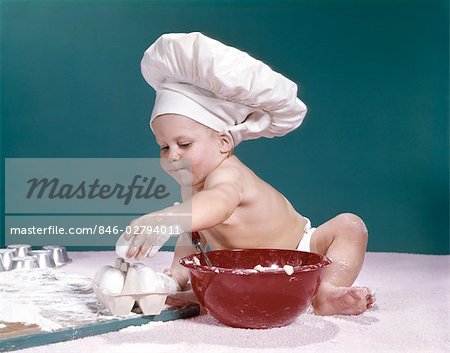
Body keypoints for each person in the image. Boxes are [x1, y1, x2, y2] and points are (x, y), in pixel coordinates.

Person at [118, 32, 375, 315]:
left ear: (224, 143)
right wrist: (179, 260)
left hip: (301, 252)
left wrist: (165, 218)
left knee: (350, 226)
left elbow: (218, 204)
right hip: (242, 271)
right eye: (164, 147)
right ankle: (174, 281)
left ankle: (326, 291)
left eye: (184, 144)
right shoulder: (193, 184)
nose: (173, 154)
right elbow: (196, 232)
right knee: (192, 234)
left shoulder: (229, 174)